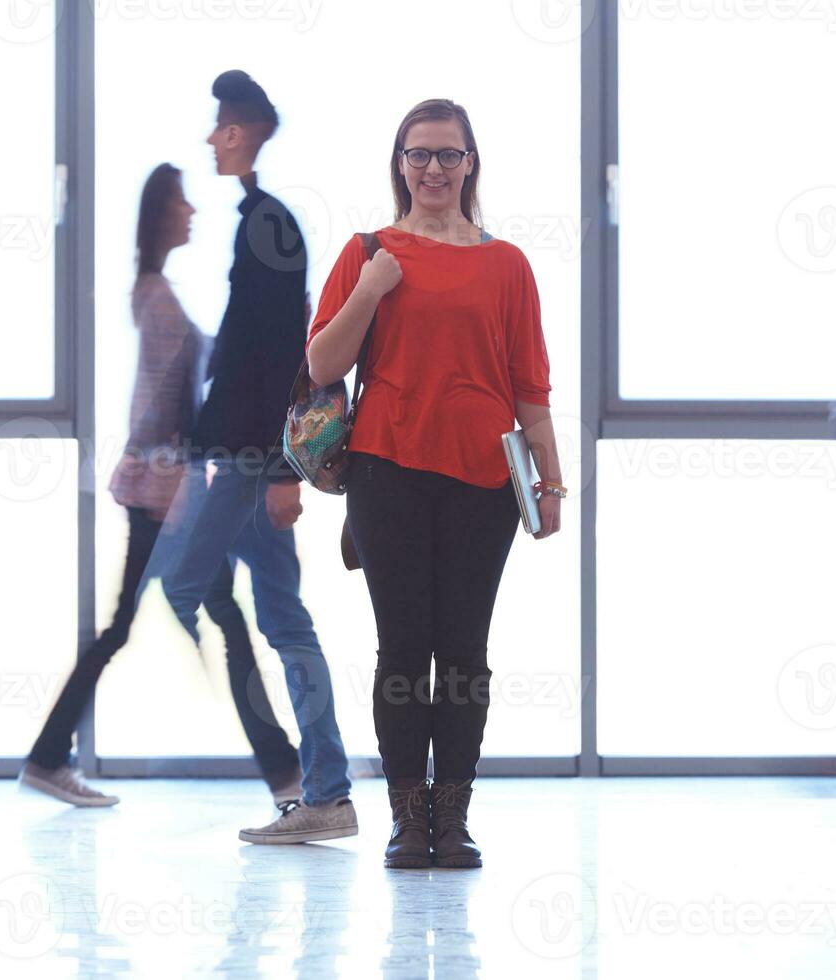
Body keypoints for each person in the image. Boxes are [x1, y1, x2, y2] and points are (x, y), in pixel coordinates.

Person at [305, 98, 562, 869]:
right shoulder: (369, 252)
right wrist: (371, 289)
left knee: (463, 652)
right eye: (418, 155)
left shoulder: (507, 263)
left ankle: (452, 815)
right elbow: (321, 366)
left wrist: (550, 485)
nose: (432, 169)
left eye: (447, 155)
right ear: (398, 164)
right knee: (401, 650)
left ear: (470, 163)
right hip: (385, 473)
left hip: (484, 480)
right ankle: (404, 819)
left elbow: (530, 390)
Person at [19, 163, 302, 807]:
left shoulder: (155, 294)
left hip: (165, 488)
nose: (193, 213)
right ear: (159, 216)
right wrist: (173, 468)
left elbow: (191, 381)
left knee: (145, 625)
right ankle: (287, 775)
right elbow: (154, 407)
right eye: (182, 204)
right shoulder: (158, 300)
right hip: (164, 494)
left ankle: (46, 756)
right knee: (215, 621)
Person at [146, 69, 356, 844]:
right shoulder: (258, 220)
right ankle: (316, 787)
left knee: (186, 582)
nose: (210, 138)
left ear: (245, 131)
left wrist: (276, 472)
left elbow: (274, 353)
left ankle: (308, 779)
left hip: (250, 459)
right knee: (278, 615)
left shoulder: (268, 223)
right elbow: (244, 353)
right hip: (236, 454)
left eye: (220, 126)